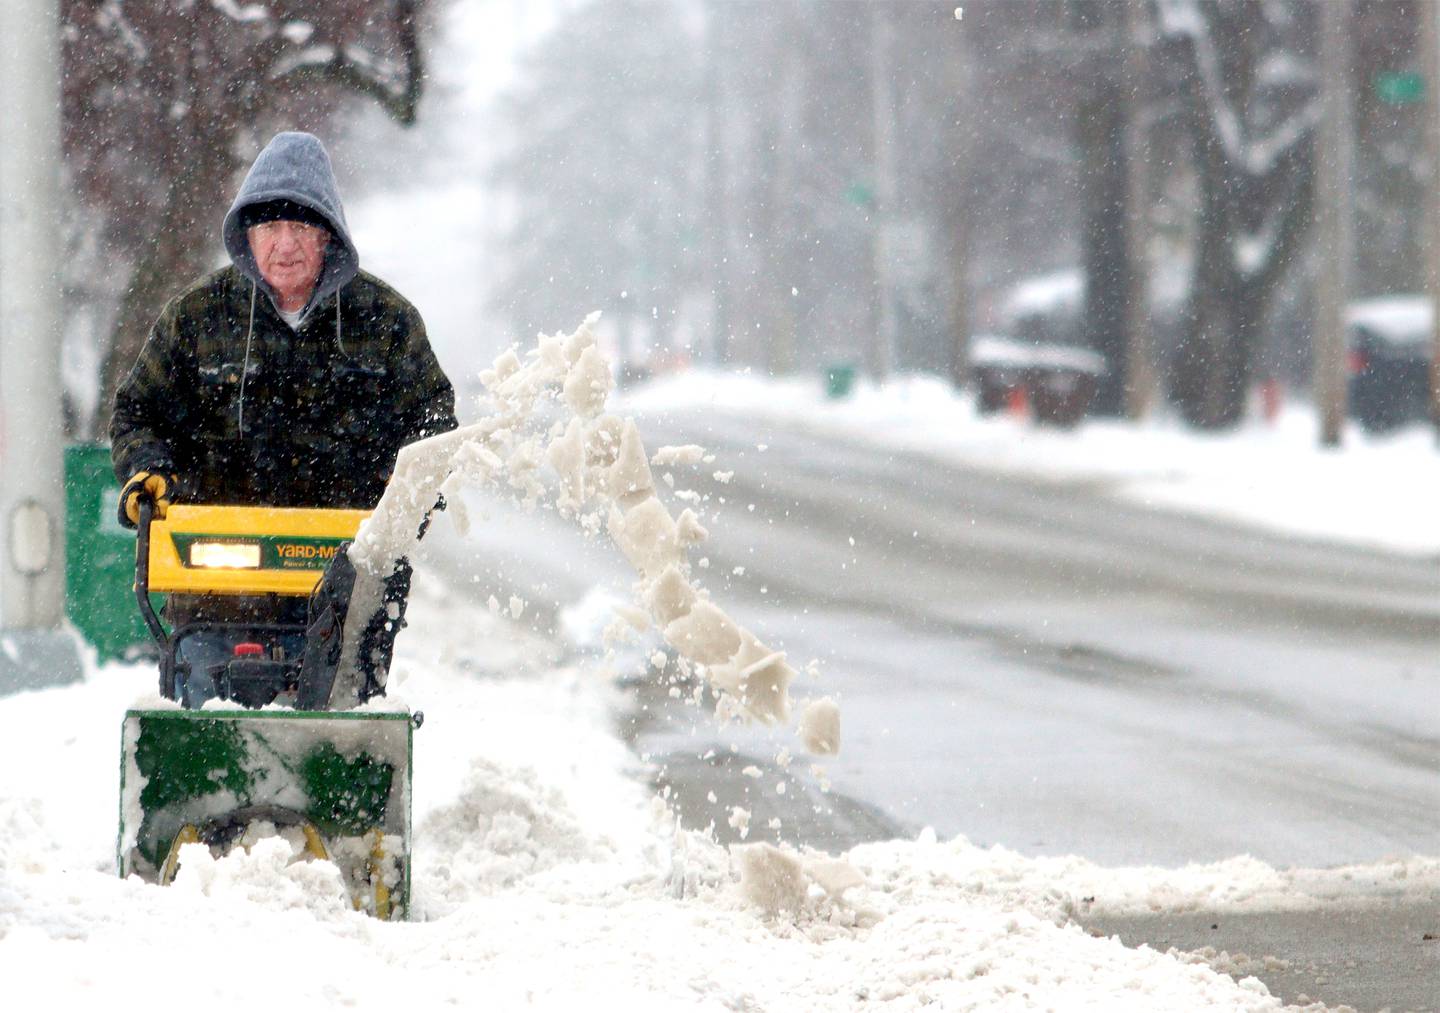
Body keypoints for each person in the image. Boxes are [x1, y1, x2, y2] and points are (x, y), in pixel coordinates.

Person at [110, 131, 456, 704]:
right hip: (215, 583)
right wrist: (148, 471)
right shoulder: (197, 318)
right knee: (209, 726)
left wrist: (407, 496)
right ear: (247, 234)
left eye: (301, 227)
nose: (285, 244)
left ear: (328, 235)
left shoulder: (386, 322)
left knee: (338, 730)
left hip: (348, 580)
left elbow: (434, 424)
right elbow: (138, 410)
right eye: (270, 227)